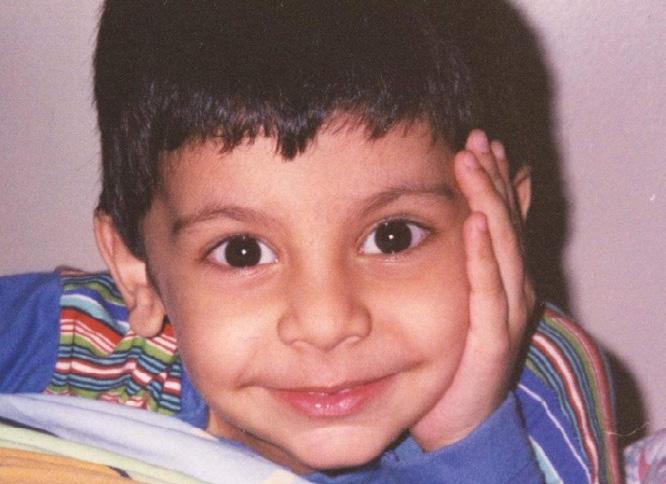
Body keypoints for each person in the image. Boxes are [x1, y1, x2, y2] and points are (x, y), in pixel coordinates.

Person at [0, 1, 619, 482]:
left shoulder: (537, 388)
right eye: (242, 251)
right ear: (136, 269)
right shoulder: (86, 344)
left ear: (505, 223)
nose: (326, 323)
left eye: (392, 237)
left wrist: (464, 441)